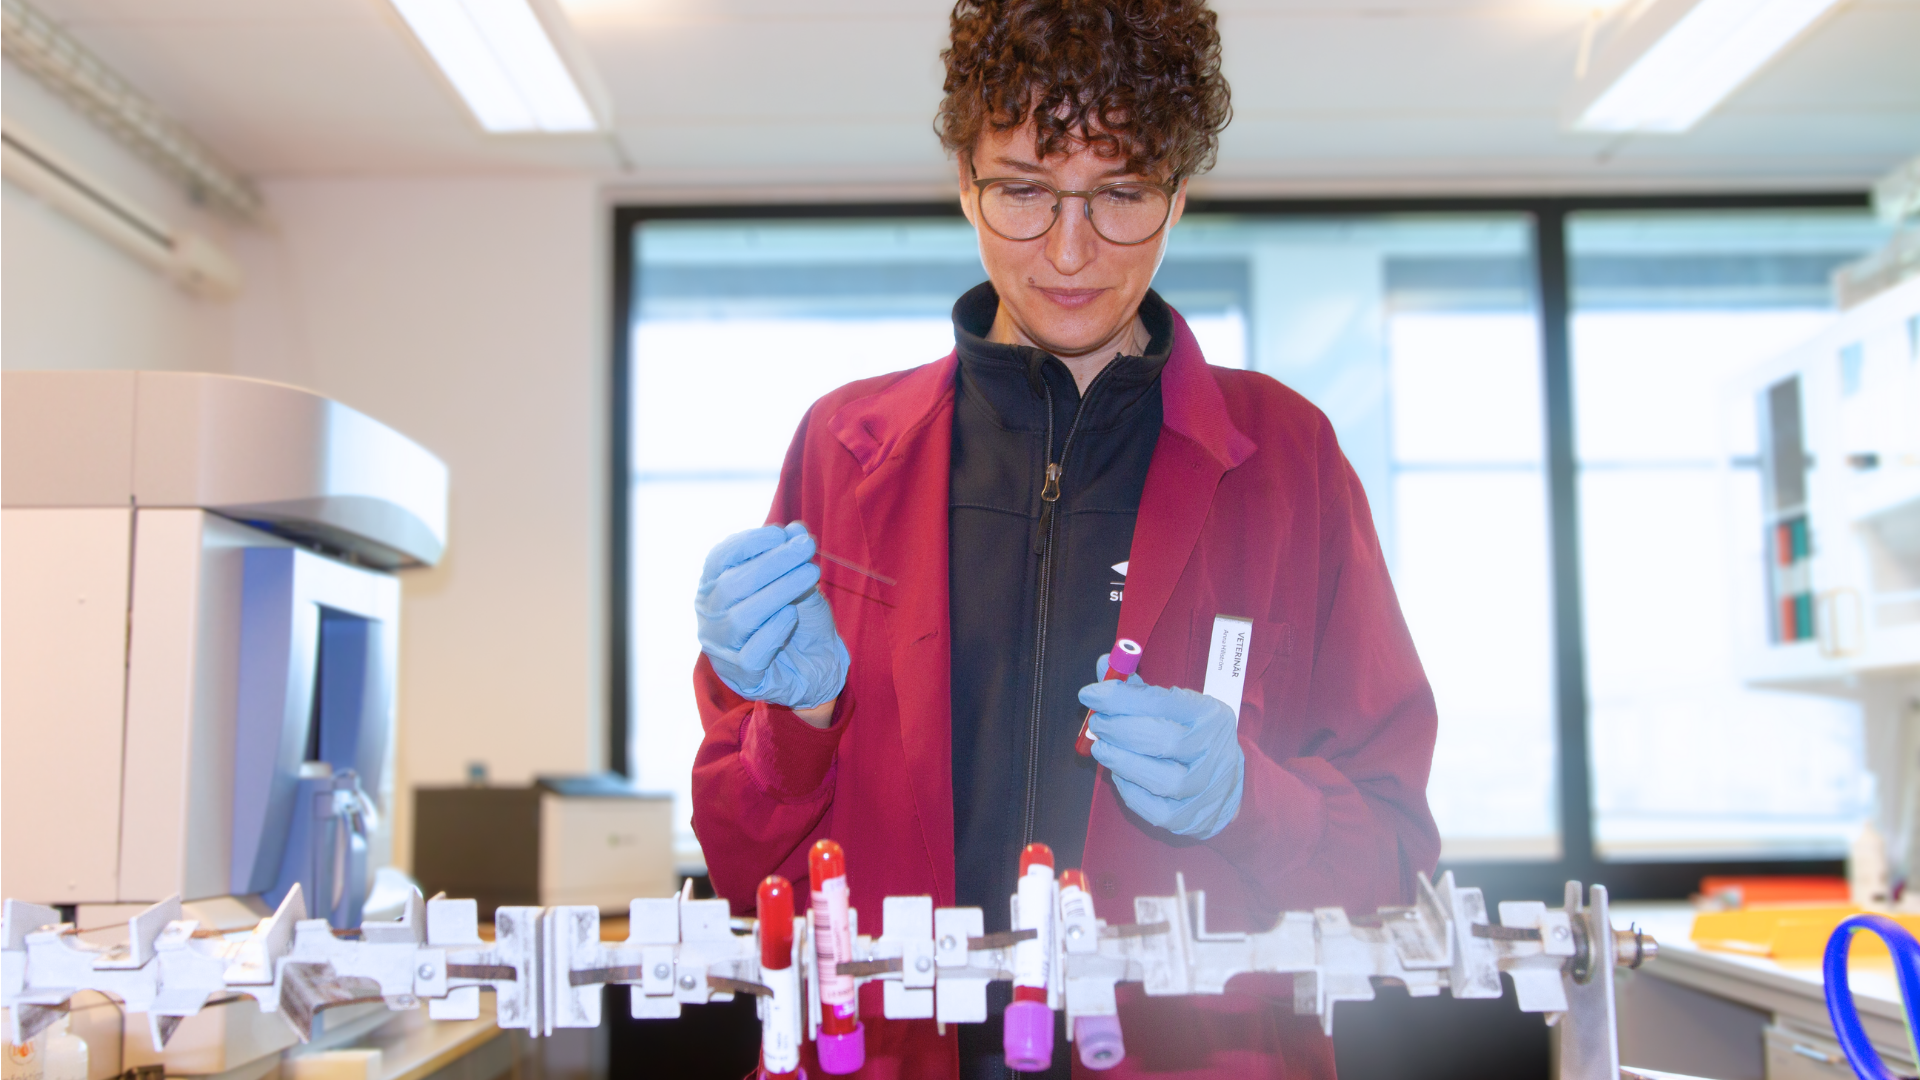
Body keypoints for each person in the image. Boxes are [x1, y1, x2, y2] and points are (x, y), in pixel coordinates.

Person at [690, 1, 1440, 1076]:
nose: (1071, 250)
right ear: (965, 182)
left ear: (1180, 194)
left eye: (1122, 195)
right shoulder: (845, 451)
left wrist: (1247, 799)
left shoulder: (1285, 460)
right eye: (1026, 193)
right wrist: (795, 723)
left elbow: (1389, 865)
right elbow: (741, 861)